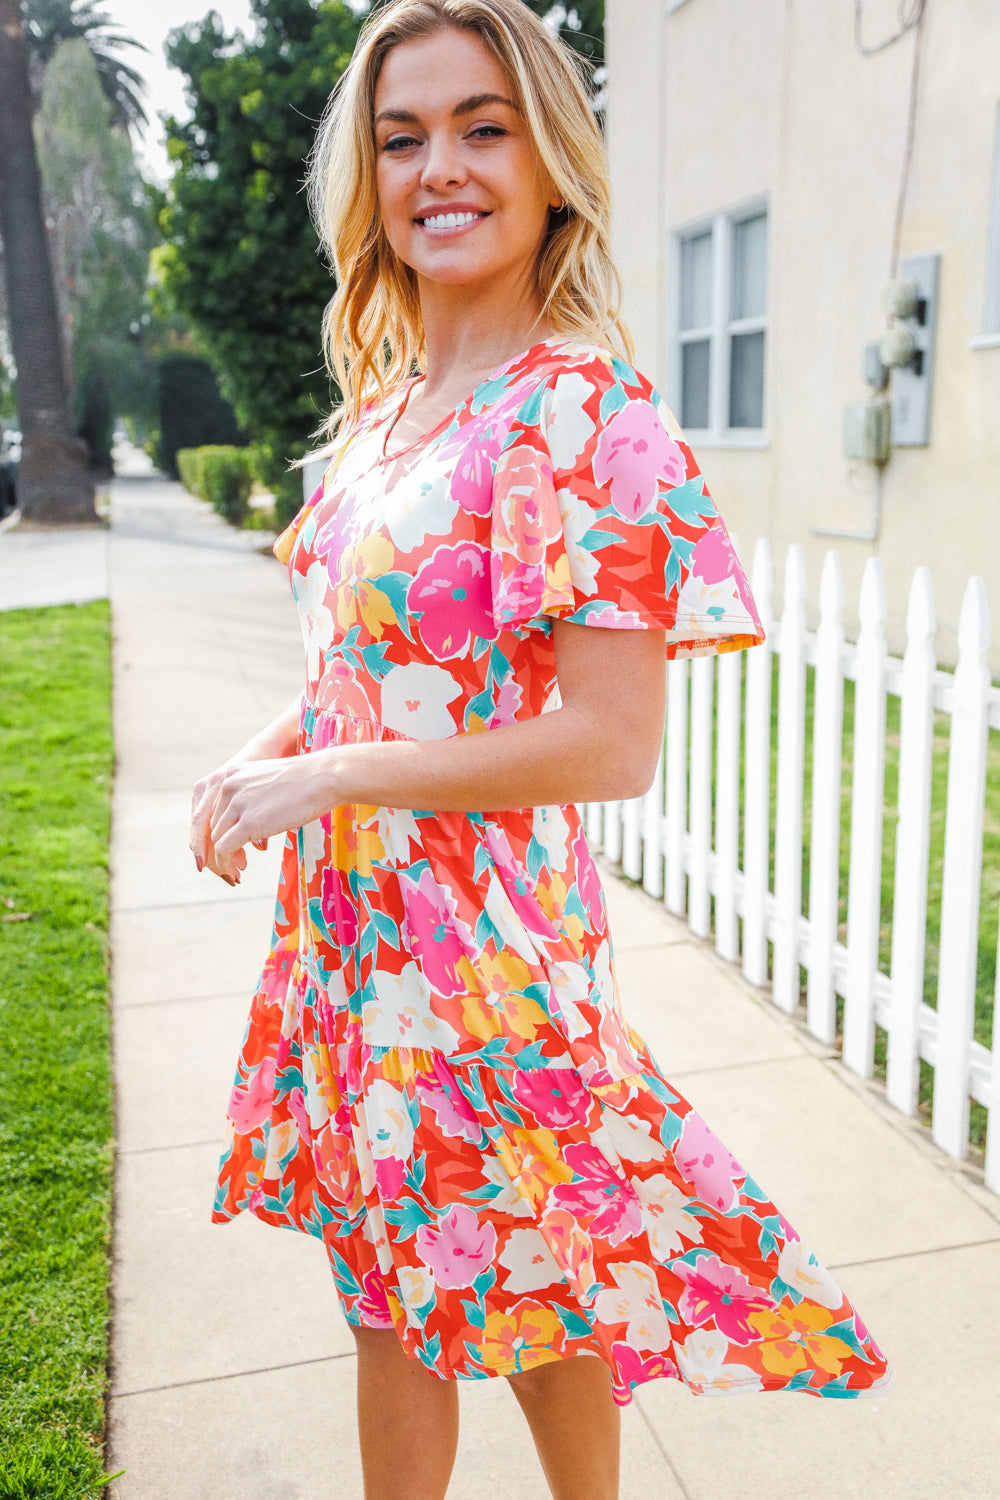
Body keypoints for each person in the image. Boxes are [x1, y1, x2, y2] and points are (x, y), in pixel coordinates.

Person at [189, 3, 893, 1497]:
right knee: (389, 1300)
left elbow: (613, 741)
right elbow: (374, 676)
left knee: (536, 1288)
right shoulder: (385, 414)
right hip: (353, 951)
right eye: (402, 137)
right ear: (366, 178)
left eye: (482, 127)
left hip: (488, 965)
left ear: (553, 162)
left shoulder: (581, 413)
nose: (439, 167)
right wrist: (268, 753)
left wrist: (329, 780)